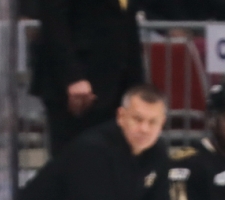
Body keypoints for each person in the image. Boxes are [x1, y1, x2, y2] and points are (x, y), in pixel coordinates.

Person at [18, 85, 170, 200]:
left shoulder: (158, 151)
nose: (144, 129)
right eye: (137, 119)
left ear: (162, 123)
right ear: (121, 117)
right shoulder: (92, 149)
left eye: (153, 122)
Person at [31, 0, 145, 157]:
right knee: (75, 160)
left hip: (121, 80)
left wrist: (137, 84)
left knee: (116, 160)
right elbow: (54, 19)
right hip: (79, 82)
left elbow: (125, 19)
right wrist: (73, 77)